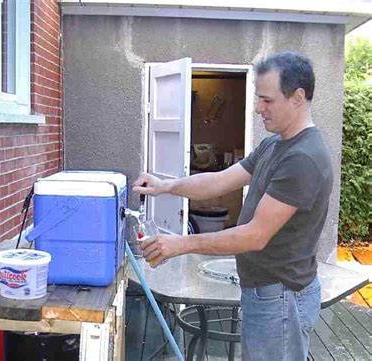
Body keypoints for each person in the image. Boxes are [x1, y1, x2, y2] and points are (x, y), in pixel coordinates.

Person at [132, 51, 333, 361]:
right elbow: (220, 181)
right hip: (264, 292)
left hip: (281, 298)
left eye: (267, 100)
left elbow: (254, 236)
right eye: (258, 98)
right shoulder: (275, 144)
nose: (257, 108)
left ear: (297, 97)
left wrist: (180, 244)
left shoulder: (303, 158)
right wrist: (165, 186)